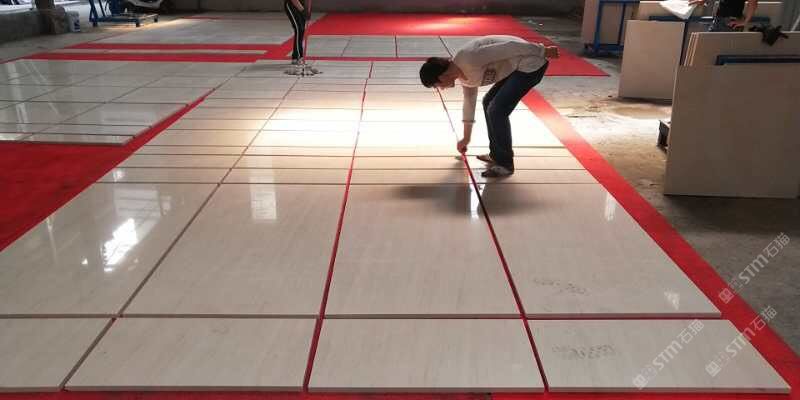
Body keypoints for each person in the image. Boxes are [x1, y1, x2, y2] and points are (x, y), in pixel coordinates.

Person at [419, 35, 560, 177]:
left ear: (442, 77)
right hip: (515, 68)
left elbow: (509, 47)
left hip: (531, 64)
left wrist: (543, 50)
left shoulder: (469, 58)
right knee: (488, 102)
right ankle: (496, 154)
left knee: (497, 110)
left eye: (437, 86)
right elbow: (469, 103)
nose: (441, 89)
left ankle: (505, 163)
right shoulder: (464, 78)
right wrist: (466, 138)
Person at [689, 0, 759, 31]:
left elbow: (753, 2)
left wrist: (745, 21)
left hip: (729, 23)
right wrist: (703, 1)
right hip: (720, 20)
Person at [284, 0, 309, 64]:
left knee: (301, 30)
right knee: (299, 29)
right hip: (291, 5)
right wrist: (303, 11)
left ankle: (296, 57)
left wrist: (304, 9)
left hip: (301, 5)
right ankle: (298, 57)